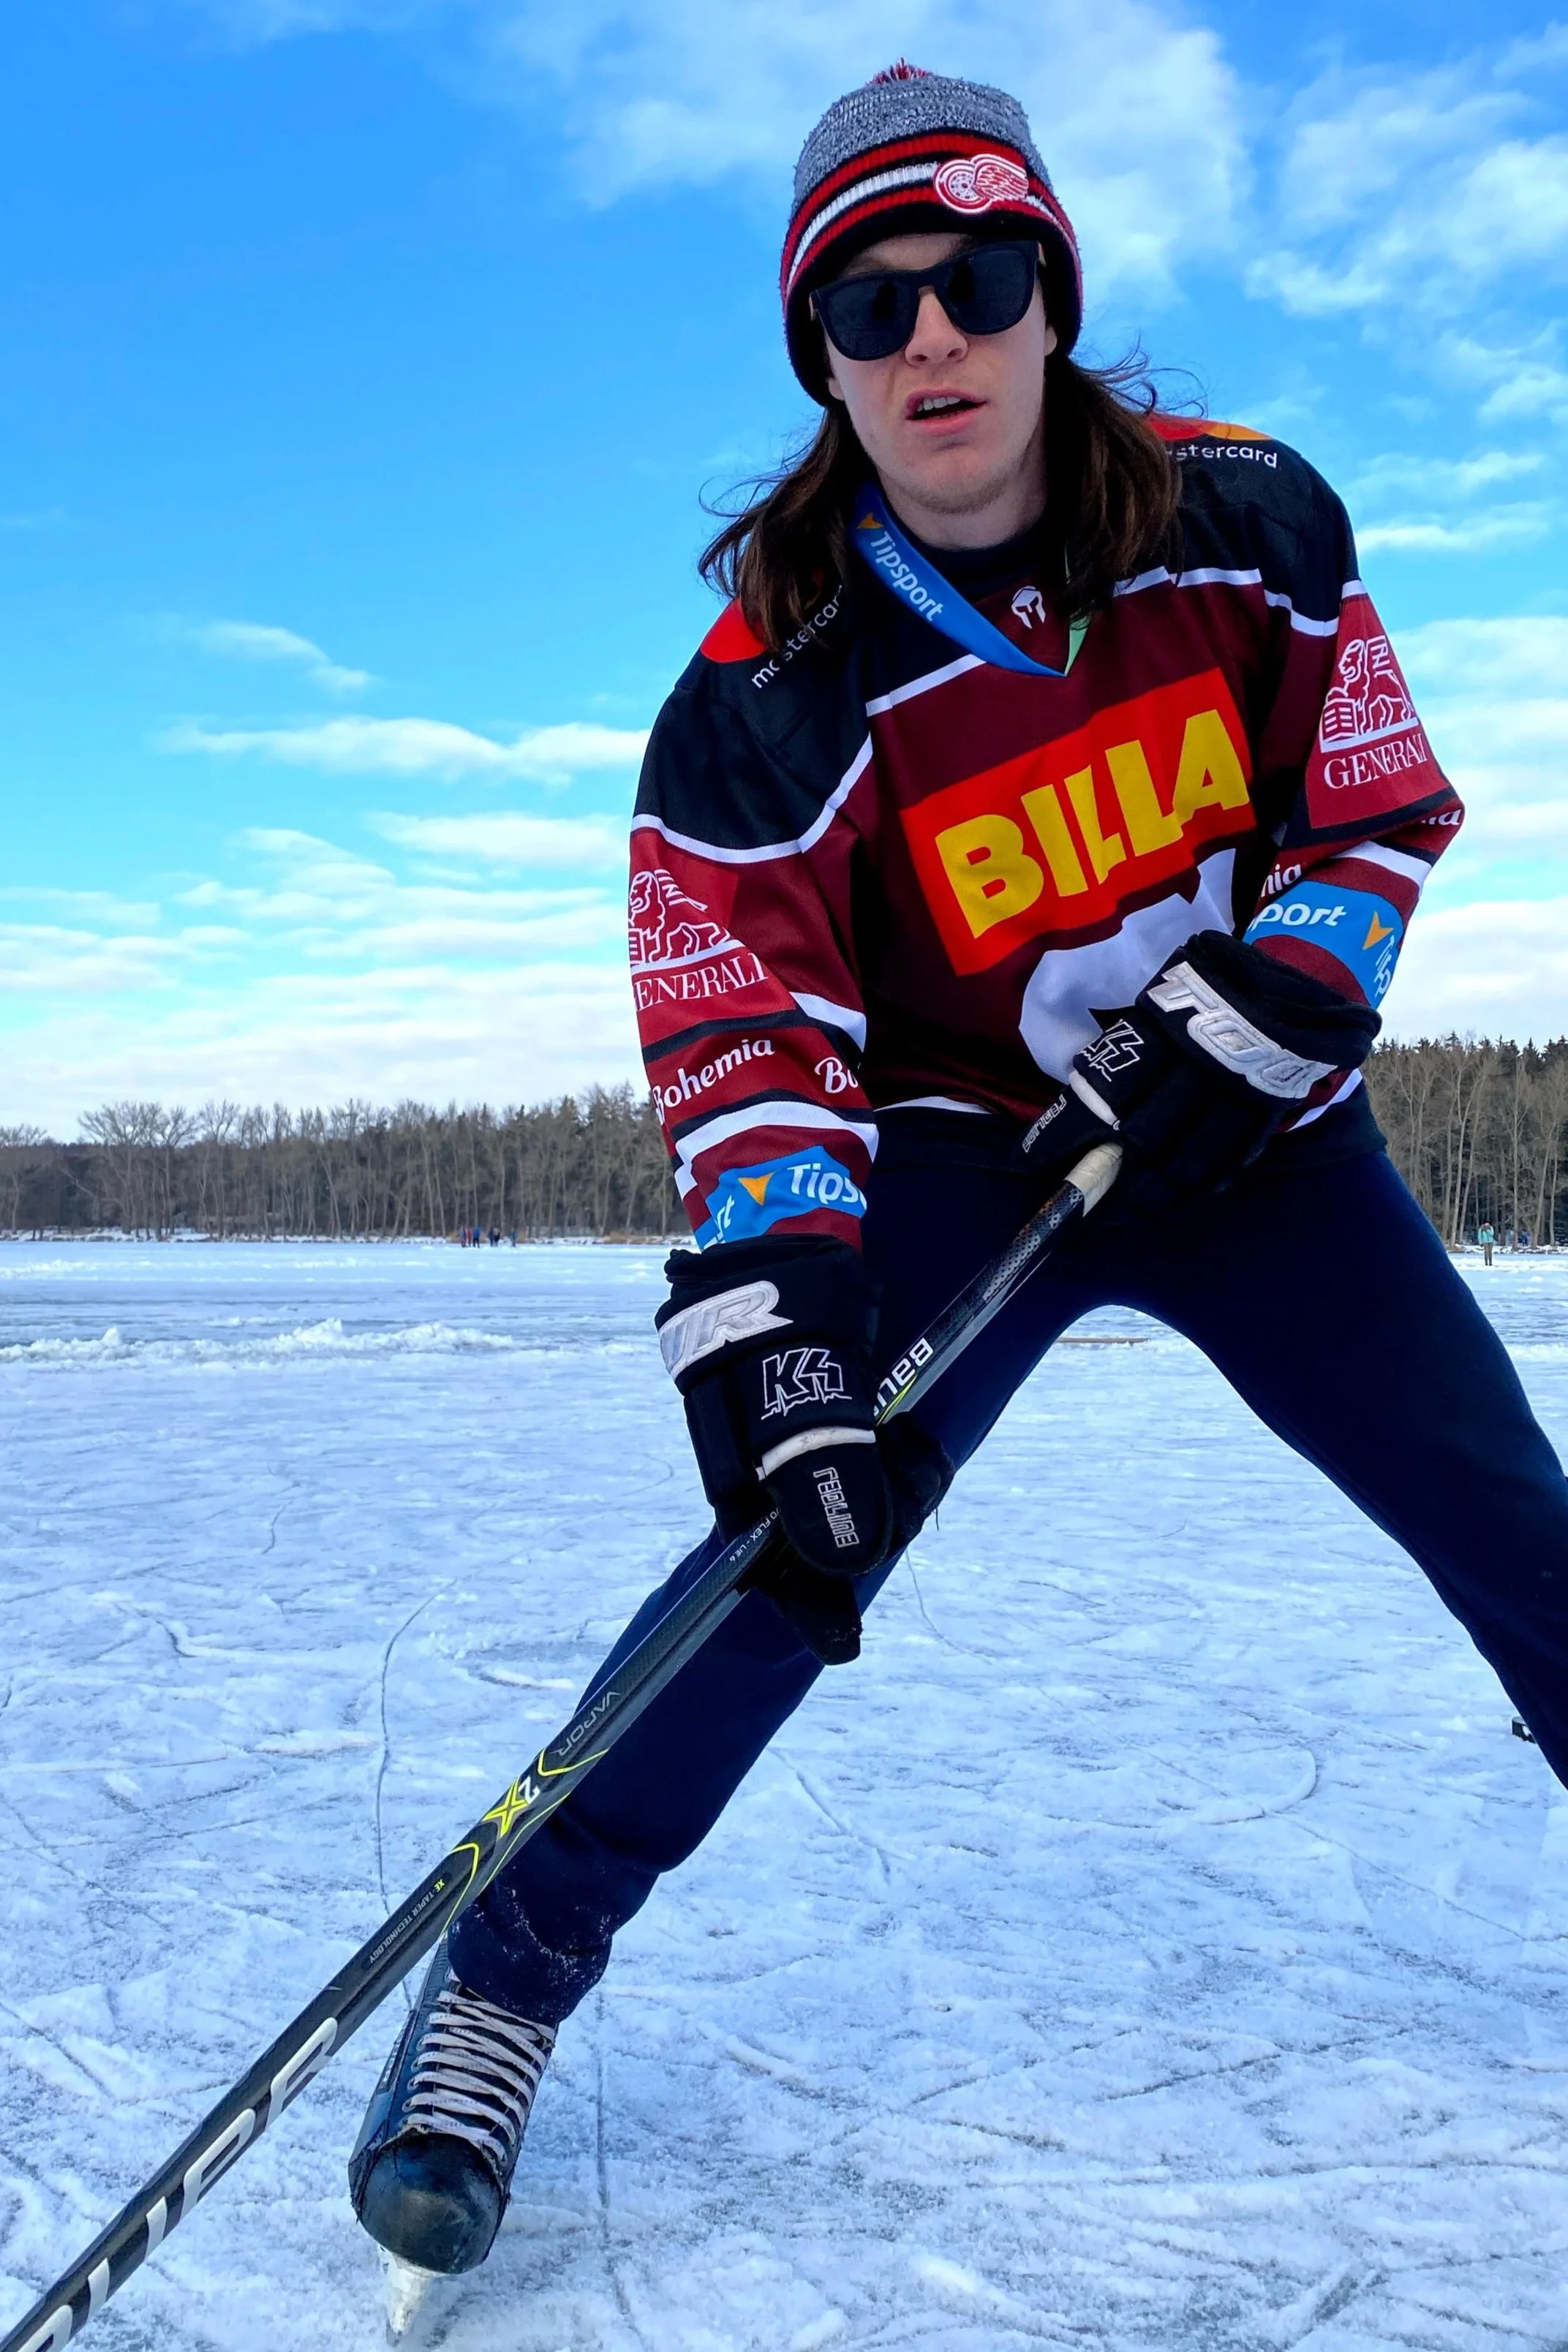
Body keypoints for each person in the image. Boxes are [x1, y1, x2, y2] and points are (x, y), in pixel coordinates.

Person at [349, 64, 1568, 2283]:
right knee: (785, 1552)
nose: (933, 339)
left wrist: (1292, 989)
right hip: (965, 1158)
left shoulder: (1256, 519)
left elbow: (1367, 802)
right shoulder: (767, 686)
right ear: (818, 361)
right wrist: (787, 1338)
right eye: (867, 304)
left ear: (1051, 295)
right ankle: (503, 1982)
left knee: (1510, 1506)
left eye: (978, 280)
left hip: (1255, 1146)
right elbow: (745, 1038)